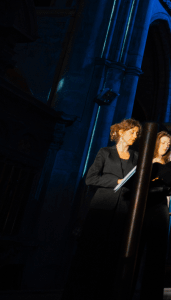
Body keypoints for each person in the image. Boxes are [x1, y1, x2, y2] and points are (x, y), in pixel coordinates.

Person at [63, 118, 141, 300]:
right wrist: (116, 181)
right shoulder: (105, 152)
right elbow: (90, 179)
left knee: (114, 252)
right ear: (121, 132)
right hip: (102, 207)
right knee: (93, 250)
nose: (135, 136)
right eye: (132, 132)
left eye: (137, 134)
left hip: (124, 208)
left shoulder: (137, 157)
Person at [140, 131, 171, 300]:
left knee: (157, 252)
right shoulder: (144, 160)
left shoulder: (168, 165)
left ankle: (151, 293)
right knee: (138, 247)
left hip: (160, 207)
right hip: (144, 206)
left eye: (168, 144)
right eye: (163, 142)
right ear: (155, 142)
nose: (166, 146)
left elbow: (169, 191)